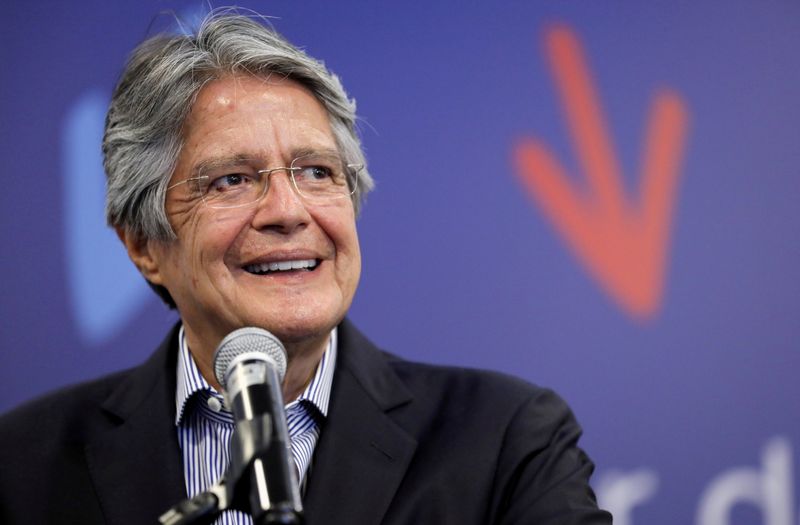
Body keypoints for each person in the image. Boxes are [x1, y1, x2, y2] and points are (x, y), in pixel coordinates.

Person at [0, 11, 611, 525]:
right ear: (142, 245)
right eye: (232, 180)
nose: (288, 211)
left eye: (317, 172)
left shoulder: (505, 439)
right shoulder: (23, 462)